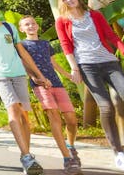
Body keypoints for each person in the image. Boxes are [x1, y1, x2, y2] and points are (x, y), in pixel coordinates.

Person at [0, 0, 51, 175]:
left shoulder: (9, 27)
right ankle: (25, 156)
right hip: (0, 76)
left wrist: (39, 75)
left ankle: (27, 156)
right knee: (13, 108)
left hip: (18, 73)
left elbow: (22, 52)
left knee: (24, 114)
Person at [55, 0, 124, 172]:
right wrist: (74, 68)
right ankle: (118, 153)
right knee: (106, 106)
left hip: (109, 62)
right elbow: (66, 45)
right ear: (62, 2)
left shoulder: (94, 15)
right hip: (87, 66)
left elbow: (111, 36)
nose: (69, 0)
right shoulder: (62, 21)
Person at [18, 15, 82, 174]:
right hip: (40, 85)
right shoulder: (22, 45)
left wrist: (68, 75)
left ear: (37, 26)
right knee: (54, 116)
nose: (31, 26)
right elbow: (24, 63)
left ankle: (70, 146)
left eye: (33, 23)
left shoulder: (46, 44)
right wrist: (33, 77)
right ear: (21, 29)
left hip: (56, 83)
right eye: (27, 24)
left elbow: (54, 63)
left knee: (72, 120)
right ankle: (67, 159)